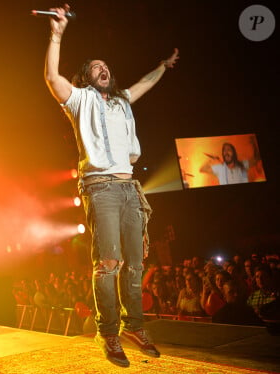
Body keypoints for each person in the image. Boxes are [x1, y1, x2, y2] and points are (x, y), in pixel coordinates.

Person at [43, 4, 178, 368]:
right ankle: (109, 333)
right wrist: (57, 34)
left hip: (129, 189)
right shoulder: (80, 99)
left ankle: (135, 326)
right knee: (108, 262)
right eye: (96, 68)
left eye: (107, 67)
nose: (104, 70)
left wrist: (162, 67)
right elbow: (53, 79)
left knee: (135, 264)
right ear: (86, 77)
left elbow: (143, 84)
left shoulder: (121, 100)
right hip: (100, 187)